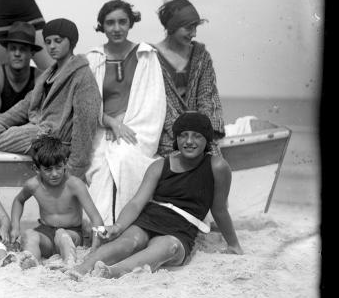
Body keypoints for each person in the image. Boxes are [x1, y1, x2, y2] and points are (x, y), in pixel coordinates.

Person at [68, 112, 243, 279]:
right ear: (176, 139)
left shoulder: (217, 167)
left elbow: (219, 209)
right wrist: (119, 227)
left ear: (207, 139)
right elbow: (137, 203)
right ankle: (82, 268)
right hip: (150, 218)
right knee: (129, 241)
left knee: (168, 246)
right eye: (183, 135)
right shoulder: (160, 166)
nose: (189, 141)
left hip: (182, 229)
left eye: (197, 136)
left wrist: (233, 244)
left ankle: (114, 272)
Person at [0, 18, 102, 181]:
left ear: (72, 42)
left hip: (57, 141)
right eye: (48, 42)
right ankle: (40, 156)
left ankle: (46, 157)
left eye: (58, 41)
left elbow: (85, 125)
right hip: (40, 136)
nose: (52, 46)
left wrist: (74, 171)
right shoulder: (49, 74)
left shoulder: (82, 76)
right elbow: (25, 105)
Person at [85, 0, 166, 225]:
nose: (117, 28)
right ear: (102, 26)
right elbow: (86, 105)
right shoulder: (94, 58)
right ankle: (101, 226)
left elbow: (154, 102)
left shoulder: (146, 55)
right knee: (101, 164)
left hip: (136, 128)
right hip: (101, 128)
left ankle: (125, 224)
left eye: (122, 22)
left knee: (125, 157)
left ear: (131, 23)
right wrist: (111, 121)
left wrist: (125, 121)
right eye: (110, 23)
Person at [10, 136, 106, 269]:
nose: (55, 174)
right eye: (48, 169)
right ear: (37, 169)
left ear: (65, 163)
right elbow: (18, 201)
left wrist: (95, 247)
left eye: (59, 167)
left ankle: (69, 263)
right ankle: (32, 264)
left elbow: (96, 218)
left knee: (61, 234)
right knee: (29, 235)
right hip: (46, 234)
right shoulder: (33, 185)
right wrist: (15, 227)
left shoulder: (75, 185)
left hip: (72, 234)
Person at [153, 0, 225, 156]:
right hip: (164, 131)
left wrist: (202, 132)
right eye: (188, 28)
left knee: (211, 159)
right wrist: (182, 134)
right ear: (172, 27)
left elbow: (207, 96)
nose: (194, 34)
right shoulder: (151, 57)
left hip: (199, 130)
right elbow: (155, 102)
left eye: (195, 27)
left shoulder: (201, 56)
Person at [0, 21, 41, 121]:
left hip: (31, 134)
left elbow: (46, 119)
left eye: (23, 49)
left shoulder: (41, 79)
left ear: (32, 53)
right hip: (1, 134)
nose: (17, 53)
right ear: (6, 50)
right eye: (13, 48)